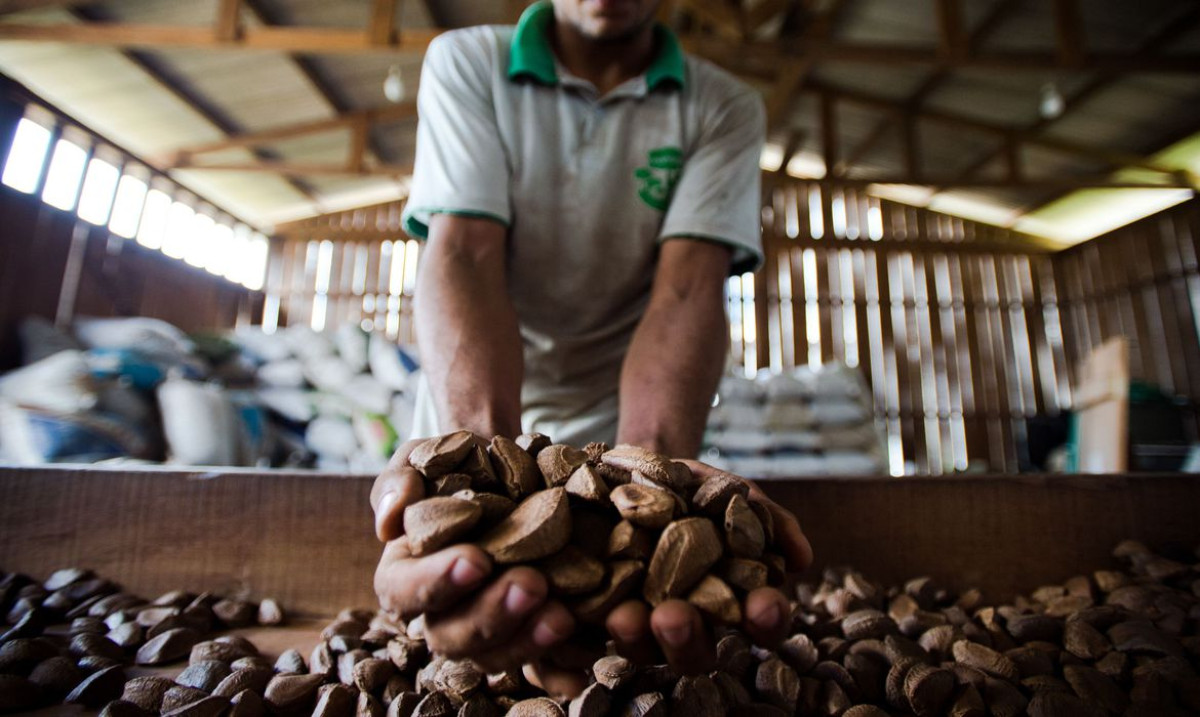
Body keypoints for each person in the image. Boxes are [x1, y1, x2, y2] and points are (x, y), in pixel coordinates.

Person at [370, 0, 812, 696]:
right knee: (470, 638)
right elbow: (465, 255)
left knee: (627, 656)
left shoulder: (722, 104)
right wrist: (488, 482)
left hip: (629, 410)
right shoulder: (470, 63)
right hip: (477, 402)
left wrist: (651, 490)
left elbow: (687, 293)